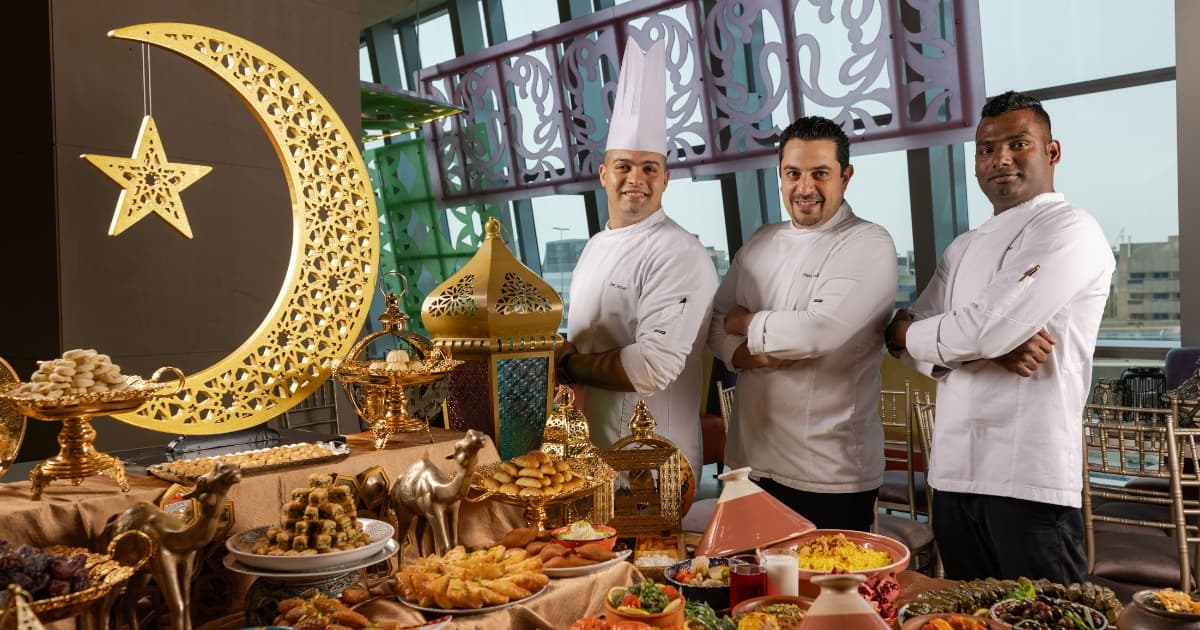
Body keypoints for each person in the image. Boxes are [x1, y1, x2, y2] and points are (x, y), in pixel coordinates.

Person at [884, 90, 1114, 583]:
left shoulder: (1071, 229)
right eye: (987, 149)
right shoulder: (963, 247)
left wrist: (957, 340)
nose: (1000, 159)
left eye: (1017, 144)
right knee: (968, 615)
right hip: (952, 475)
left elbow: (979, 329)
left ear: (1051, 152)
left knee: (1046, 617)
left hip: (1029, 479)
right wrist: (980, 347)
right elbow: (900, 335)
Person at [706, 116, 898, 532]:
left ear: (846, 176)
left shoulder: (868, 243)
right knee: (749, 593)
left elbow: (817, 332)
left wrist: (748, 321)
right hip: (749, 465)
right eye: (793, 173)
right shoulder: (761, 242)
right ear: (779, 176)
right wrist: (744, 356)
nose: (805, 188)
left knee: (828, 594)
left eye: (820, 174)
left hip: (830, 473)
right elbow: (716, 321)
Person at [556, 37, 717, 482]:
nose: (636, 179)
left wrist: (568, 364)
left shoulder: (678, 251)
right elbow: (588, 333)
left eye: (649, 168)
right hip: (594, 458)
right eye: (624, 166)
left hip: (654, 463)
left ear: (665, 178)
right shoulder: (594, 246)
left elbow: (652, 367)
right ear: (604, 174)